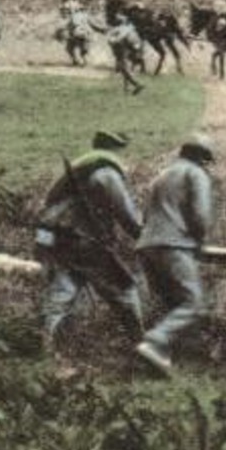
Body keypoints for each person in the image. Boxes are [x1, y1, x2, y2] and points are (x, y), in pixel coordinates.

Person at [34, 130, 144, 351]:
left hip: (50, 237)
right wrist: (146, 235)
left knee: (62, 292)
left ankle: (43, 348)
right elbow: (127, 215)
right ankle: (144, 347)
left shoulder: (78, 168)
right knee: (125, 290)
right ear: (116, 148)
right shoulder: (105, 172)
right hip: (82, 240)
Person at [134, 135, 217, 374]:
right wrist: (200, 240)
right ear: (203, 158)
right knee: (194, 302)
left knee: (171, 304)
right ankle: (155, 340)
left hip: (147, 245)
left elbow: (146, 214)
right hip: (174, 244)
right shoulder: (196, 174)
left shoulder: (162, 175)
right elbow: (200, 215)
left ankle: (159, 357)